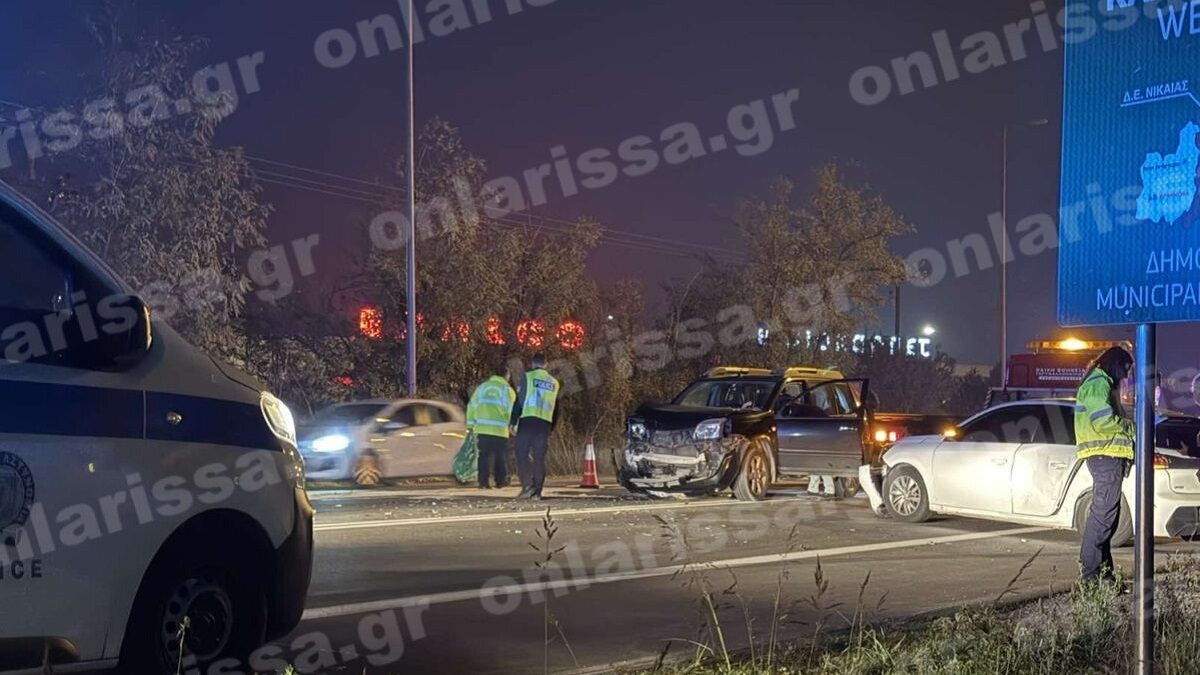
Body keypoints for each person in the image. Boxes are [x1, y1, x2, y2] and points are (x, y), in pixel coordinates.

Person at [1074, 346, 1134, 583]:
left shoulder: (1097, 381)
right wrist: (1130, 427)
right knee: (1102, 519)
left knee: (1107, 519)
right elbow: (1103, 420)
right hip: (1105, 458)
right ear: (1116, 364)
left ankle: (1104, 578)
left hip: (1105, 457)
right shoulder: (1099, 383)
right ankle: (1090, 578)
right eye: (1126, 370)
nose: (1126, 377)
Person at [511, 353, 561, 499]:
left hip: (528, 421)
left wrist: (513, 421)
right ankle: (537, 492)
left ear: (533, 364)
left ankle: (527, 486)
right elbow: (556, 408)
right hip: (544, 424)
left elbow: (519, 401)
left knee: (521, 454)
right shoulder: (554, 383)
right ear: (546, 364)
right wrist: (551, 427)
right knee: (539, 458)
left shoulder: (528, 377)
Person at [466, 365, 517, 489]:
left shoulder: (482, 388)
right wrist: (513, 426)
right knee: (500, 456)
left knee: (483, 456)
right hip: (500, 430)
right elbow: (512, 410)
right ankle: (500, 481)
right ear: (507, 376)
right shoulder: (507, 390)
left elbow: (472, 406)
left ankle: (483, 482)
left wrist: (470, 425)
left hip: (482, 429)